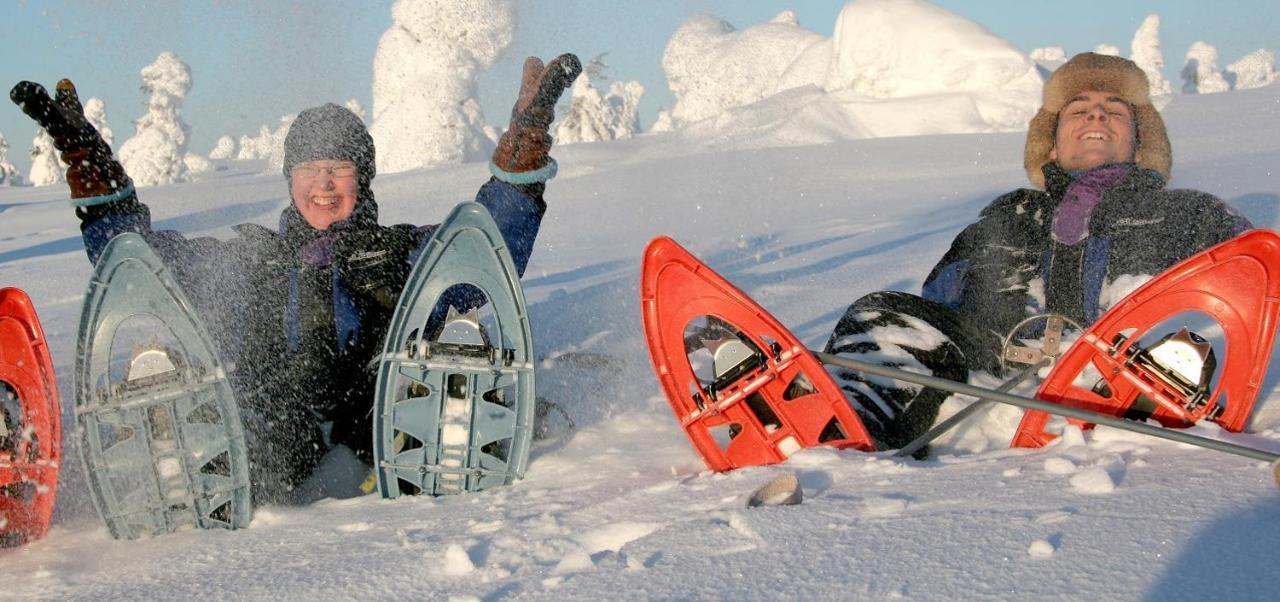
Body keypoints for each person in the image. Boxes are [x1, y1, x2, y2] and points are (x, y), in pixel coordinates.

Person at [11, 53, 581, 502]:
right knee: (229, 387)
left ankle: (452, 413)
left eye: (340, 168)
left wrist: (523, 153)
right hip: (271, 440)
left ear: (365, 179)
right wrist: (92, 170)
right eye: (311, 167)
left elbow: (485, 253)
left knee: (441, 337)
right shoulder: (251, 259)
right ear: (289, 178)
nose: (325, 183)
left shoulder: (404, 252)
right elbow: (139, 263)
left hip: (383, 426)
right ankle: (178, 440)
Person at [822, 53, 1252, 455]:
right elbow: (937, 304)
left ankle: (1150, 423)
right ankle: (843, 434)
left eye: (1115, 110)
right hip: (992, 383)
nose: (1096, 115)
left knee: (1185, 344)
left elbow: (1259, 289)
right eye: (1078, 109)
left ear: (1141, 148)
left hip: (1125, 373)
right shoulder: (1006, 216)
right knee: (882, 315)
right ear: (1049, 145)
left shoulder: (1192, 214)